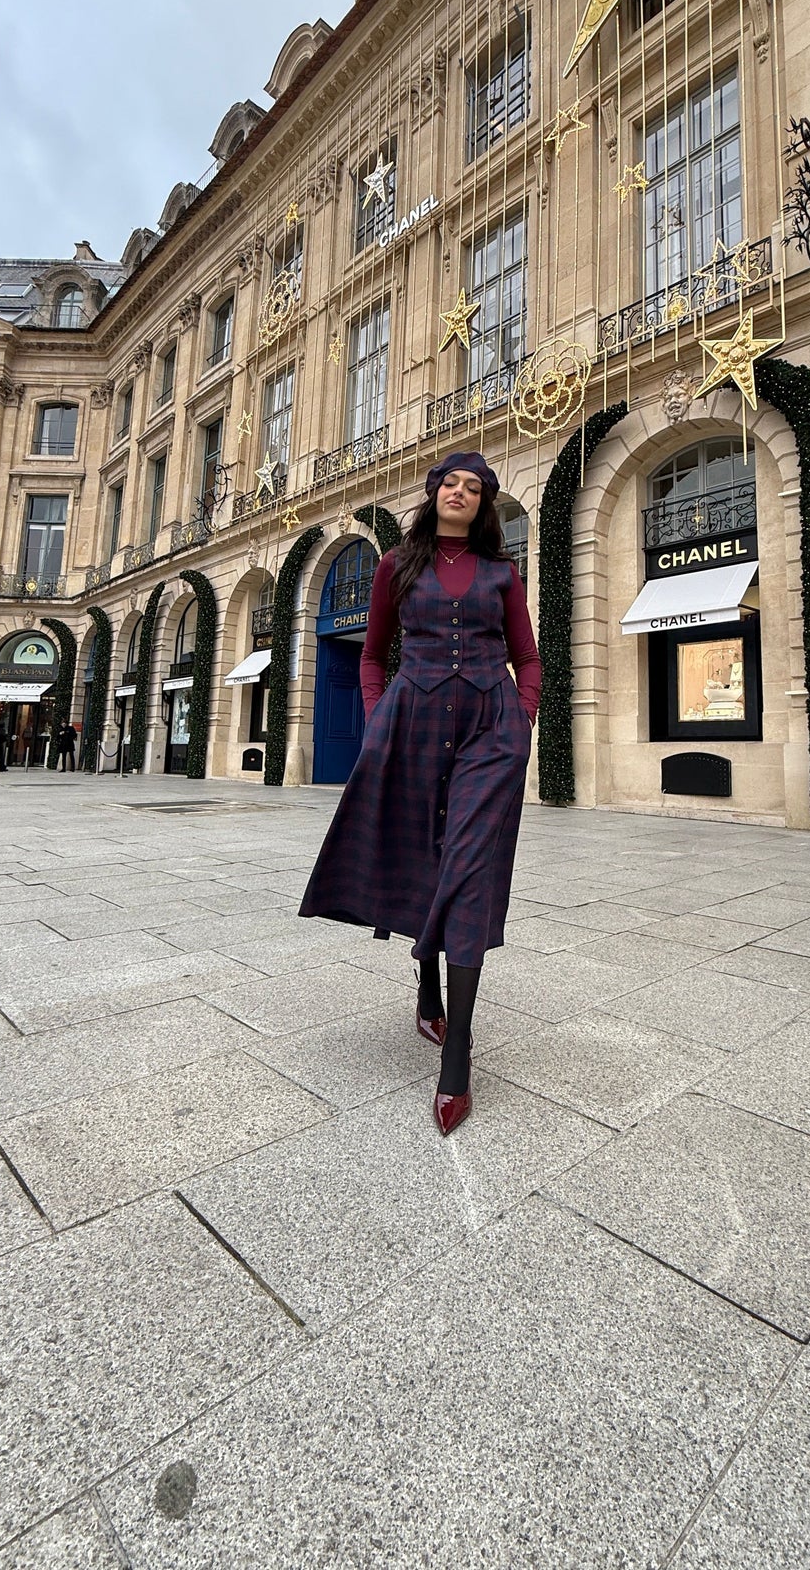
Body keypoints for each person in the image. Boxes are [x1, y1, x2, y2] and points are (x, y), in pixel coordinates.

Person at [300, 451, 541, 1136]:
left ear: (484, 503)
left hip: (490, 729)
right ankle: (427, 984)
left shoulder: (502, 573)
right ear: (433, 493)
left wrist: (521, 719)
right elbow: (372, 654)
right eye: (450, 483)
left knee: (468, 866)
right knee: (424, 857)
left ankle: (457, 1051)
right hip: (411, 724)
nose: (460, 493)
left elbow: (527, 656)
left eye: (474, 488)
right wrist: (377, 719)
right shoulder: (395, 565)